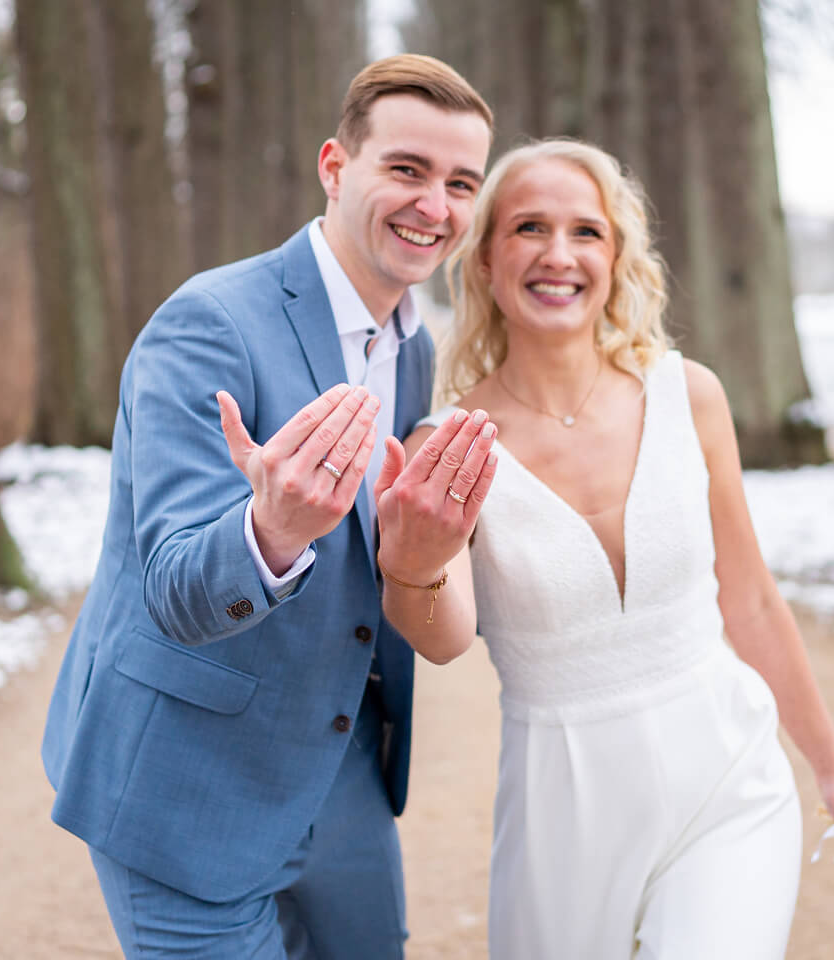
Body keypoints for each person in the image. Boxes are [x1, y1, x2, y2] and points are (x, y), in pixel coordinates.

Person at [374, 138, 834, 959]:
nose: (559, 254)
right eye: (529, 229)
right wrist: (415, 560)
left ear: (616, 257)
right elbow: (440, 640)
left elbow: (751, 600)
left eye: (586, 231)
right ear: (482, 261)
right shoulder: (448, 442)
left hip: (728, 779)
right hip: (563, 809)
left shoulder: (689, 395)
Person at [40, 55, 498, 959]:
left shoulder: (414, 350)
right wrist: (270, 531)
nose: (434, 206)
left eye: (460, 183)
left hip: (339, 766)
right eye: (406, 170)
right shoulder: (207, 322)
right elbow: (173, 585)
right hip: (186, 781)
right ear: (335, 167)